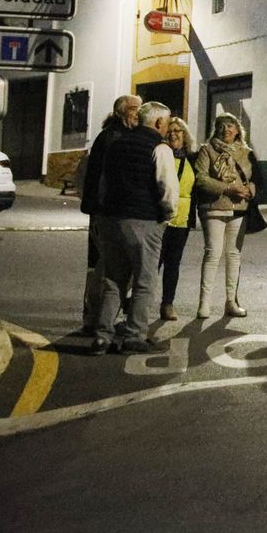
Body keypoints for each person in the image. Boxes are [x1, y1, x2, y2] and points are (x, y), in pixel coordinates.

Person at [90, 101, 176, 354]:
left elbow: (103, 182)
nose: (168, 127)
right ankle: (134, 336)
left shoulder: (117, 143)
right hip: (143, 219)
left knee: (113, 280)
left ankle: (102, 336)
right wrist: (166, 218)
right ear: (158, 122)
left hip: (111, 219)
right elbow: (168, 188)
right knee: (144, 281)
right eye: (167, 122)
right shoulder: (160, 147)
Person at [79, 94, 141, 334]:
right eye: (135, 109)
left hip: (106, 210)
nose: (139, 113)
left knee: (105, 265)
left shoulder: (117, 136)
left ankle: (97, 316)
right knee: (102, 266)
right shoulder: (112, 138)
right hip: (106, 212)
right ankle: (94, 316)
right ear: (122, 112)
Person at [193, 113, 256, 318]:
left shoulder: (246, 153)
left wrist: (250, 190)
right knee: (213, 253)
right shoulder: (207, 150)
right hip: (213, 207)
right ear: (216, 129)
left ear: (238, 130)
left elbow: (256, 179)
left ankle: (231, 301)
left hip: (239, 208)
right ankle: (204, 304)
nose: (226, 129)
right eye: (222, 126)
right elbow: (201, 179)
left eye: (231, 126)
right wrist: (228, 188)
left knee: (234, 255)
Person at [157, 118, 197, 321]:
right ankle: (138, 304)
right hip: (160, 217)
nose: (173, 134)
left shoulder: (193, 158)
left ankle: (167, 304)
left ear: (184, 134)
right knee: (153, 263)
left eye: (178, 130)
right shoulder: (160, 155)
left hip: (182, 220)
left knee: (173, 264)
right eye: (170, 130)